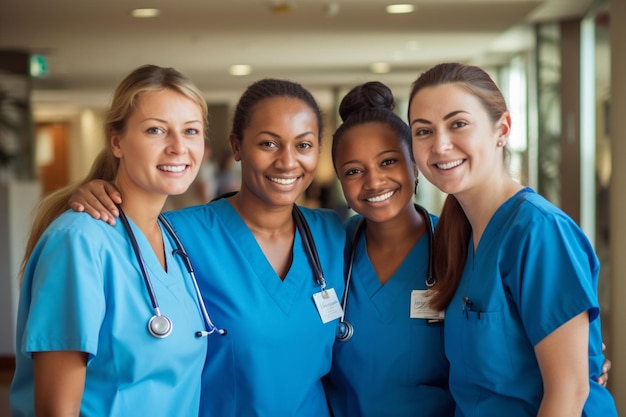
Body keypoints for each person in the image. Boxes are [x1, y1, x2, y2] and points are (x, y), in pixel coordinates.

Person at [66, 78, 346, 417]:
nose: (287, 162)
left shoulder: (334, 234)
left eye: (303, 145)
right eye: (269, 144)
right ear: (237, 147)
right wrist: (93, 193)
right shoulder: (175, 235)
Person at [407, 62, 617, 416]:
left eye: (458, 124)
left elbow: (569, 392)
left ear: (501, 129)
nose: (440, 145)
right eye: (423, 131)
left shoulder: (539, 232)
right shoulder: (457, 232)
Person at [10, 64, 211, 416]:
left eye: (191, 131)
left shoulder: (172, 238)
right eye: (156, 130)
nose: (178, 147)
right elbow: (56, 410)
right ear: (117, 142)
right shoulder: (80, 242)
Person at [323, 81, 454, 417]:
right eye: (354, 171)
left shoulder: (457, 246)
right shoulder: (328, 249)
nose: (374, 182)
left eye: (388, 162)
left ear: (415, 164)